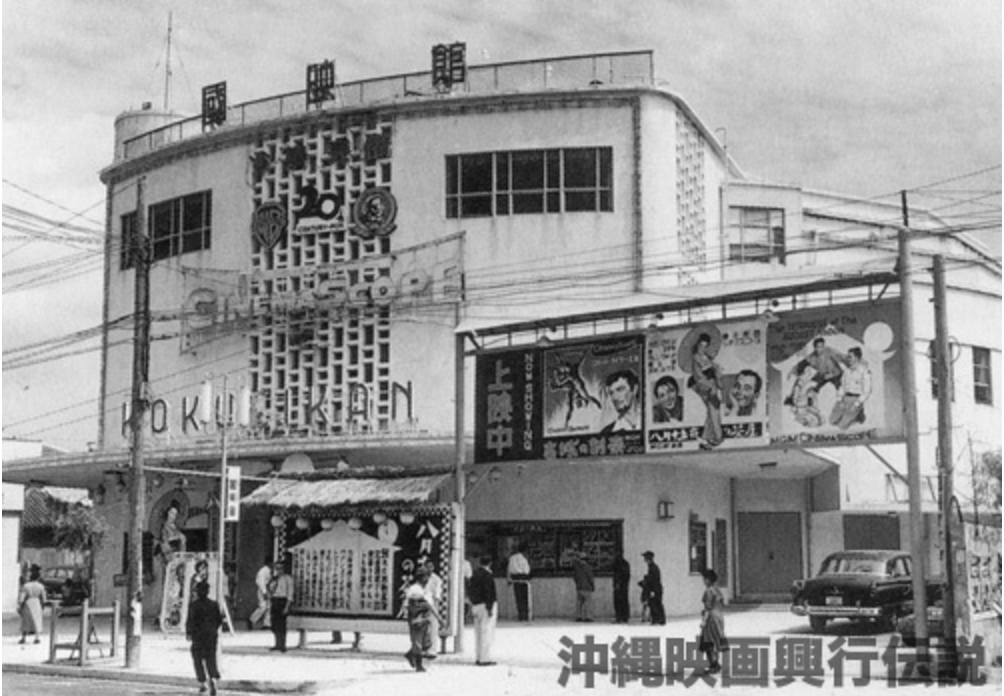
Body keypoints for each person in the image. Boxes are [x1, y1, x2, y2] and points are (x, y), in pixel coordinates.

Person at [186, 581, 224, 695]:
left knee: (198, 659)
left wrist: (189, 633)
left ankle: (202, 681)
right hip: (211, 635)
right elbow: (219, 620)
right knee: (210, 657)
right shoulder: (214, 604)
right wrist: (213, 630)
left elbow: (190, 620)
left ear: (197, 592)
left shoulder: (193, 605)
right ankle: (213, 677)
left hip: (198, 636)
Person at [687, 334, 724, 449]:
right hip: (705, 386)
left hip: (712, 384)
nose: (702, 348)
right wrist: (709, 386)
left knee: (712, 410)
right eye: (701, 345)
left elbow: (714, 371)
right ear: (697, 345)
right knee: (713, 410)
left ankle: (706, 438)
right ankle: (718, 437)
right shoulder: (696, 358)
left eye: (705, 345)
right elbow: (698, 377)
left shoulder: (707, 357)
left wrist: (717, 373)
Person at [787, 336, 848, 401]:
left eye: (821, 347)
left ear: (823, 346)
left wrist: (852, 365)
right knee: (811, 387)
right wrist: (792, 371)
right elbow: (802, 364)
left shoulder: (830, 351)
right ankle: (799, 399)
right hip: (823, 376)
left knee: (841, 392)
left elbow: (843, 357)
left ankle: (843, 400)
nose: (819, 349)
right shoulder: (812, 356)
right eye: (817, 347)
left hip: (836, 375)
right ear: (814, 348)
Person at [403, 567, 439, 672]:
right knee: (417, 641)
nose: (427, 579)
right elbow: (414, 603)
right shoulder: (414, 589)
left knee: (426, 642)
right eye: (425, 577)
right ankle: (418, 664)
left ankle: (411, 654)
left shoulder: (424, 589)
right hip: (417, 617)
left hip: (426, 618)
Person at [829, 347, 872, 429]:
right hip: (845, 398)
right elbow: (842, 387)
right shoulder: (846, 371)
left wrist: (856, 404)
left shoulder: (865, 371)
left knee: (842, 426)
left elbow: (867, 391)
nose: (847, 359)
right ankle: (852, 414)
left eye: (850, 357)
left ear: (856, 358)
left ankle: (859, 414)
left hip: (856, 399)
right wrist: (839, 400)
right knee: (832, 421)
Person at [698, 569, 729, 675]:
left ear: (708, 580)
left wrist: (703, 621)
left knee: (708, 642)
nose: (703, 581)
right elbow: (723, 604)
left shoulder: (708, 591)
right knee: (717, 640)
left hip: (711, 618)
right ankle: (716, 663)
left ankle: (713, 664)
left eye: (704, 579)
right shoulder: (718, 590)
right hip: (719, 617)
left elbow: (707, 607)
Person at [468, 555, 497, 666]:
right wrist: (490, 607)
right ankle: (485, 658)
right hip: (485, 605)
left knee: (478, 632)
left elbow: (470, 589)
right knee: (486, 632)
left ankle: (478, 656)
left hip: (476, 605)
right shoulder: (488, 576)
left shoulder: (474, 575)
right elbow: (489, 592)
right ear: (490, 563)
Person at [600, 369, 642, 434]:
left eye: (620, 389)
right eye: (611, 393)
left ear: (634, 389)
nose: (615, 397)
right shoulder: (606, 432)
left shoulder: (654, 418)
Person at [268, 560, 294, 652]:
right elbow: (270, 590)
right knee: (274, 623)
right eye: (277, 568)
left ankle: (282, 644)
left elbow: (290, 593)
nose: (279, 571)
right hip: (275, 600)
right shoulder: (274, 579)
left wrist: (287, 606)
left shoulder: (288, 579)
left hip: (282, 601)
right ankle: (276, 643)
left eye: (280, 568)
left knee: (281, 624)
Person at [18, 565, 47, 644]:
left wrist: (20, 606)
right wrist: (43, 606)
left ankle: (23, 638)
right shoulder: (41, 586)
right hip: (37, 602)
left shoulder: (26, 586)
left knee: (26, 620)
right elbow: (44, 598)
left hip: (28, 602)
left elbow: (22, 598)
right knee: (37, 620)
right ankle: (37, 637)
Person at [638, 551, 665, 625]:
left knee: (655, 604)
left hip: (655, 589)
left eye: (645, 558)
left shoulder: (653, 568)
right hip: (656, 589)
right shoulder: (652, 567)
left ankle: (658, 619)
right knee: (655, 604)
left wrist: (652, 590)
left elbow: (654, 580)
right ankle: (658, 619)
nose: (644, 560)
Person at [506, 545, 532, 622]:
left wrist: (509, 579)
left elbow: (509, 570)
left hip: (515, 579)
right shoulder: (524, 559)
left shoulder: (512, 558)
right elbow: (527, 570)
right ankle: (526, 615)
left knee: (518, 597)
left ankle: (521, 614)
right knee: (526, 598)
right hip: (524, 578)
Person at [424, 559, 444, 652]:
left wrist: (436, 611)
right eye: (427, 566)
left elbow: (437, 596)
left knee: (432, 629)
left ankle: (432, 650)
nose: (429, 569)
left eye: (431, 567)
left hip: (431, 605)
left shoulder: (436, 579)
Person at [249, 558, 272, 630]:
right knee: (263, 606)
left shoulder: (268, 570)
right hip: (262, 589)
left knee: (268, 606)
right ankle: (252, 619)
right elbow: (261, 582)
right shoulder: (263, 571)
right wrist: (264, 592)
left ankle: (267, 624)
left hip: (267, 589)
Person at [572, 552, 595, 622]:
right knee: (588, 602)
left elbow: (575, 577)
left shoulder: (577, 568)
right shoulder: (587, 567)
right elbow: (590, 577)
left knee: (579, 603)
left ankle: (578, 616)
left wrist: (577, 584)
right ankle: (588, 616)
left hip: (579, 587)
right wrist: (592, 585)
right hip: (587, 587)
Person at [612, 554, 631, 623]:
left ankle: (619, 617)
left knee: (618, 602)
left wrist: (617, 584)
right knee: (624, 601)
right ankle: (624, 617)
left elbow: (617, 576)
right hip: (624, 587)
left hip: (619, 587)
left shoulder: (617, 564)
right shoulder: (626, 564)